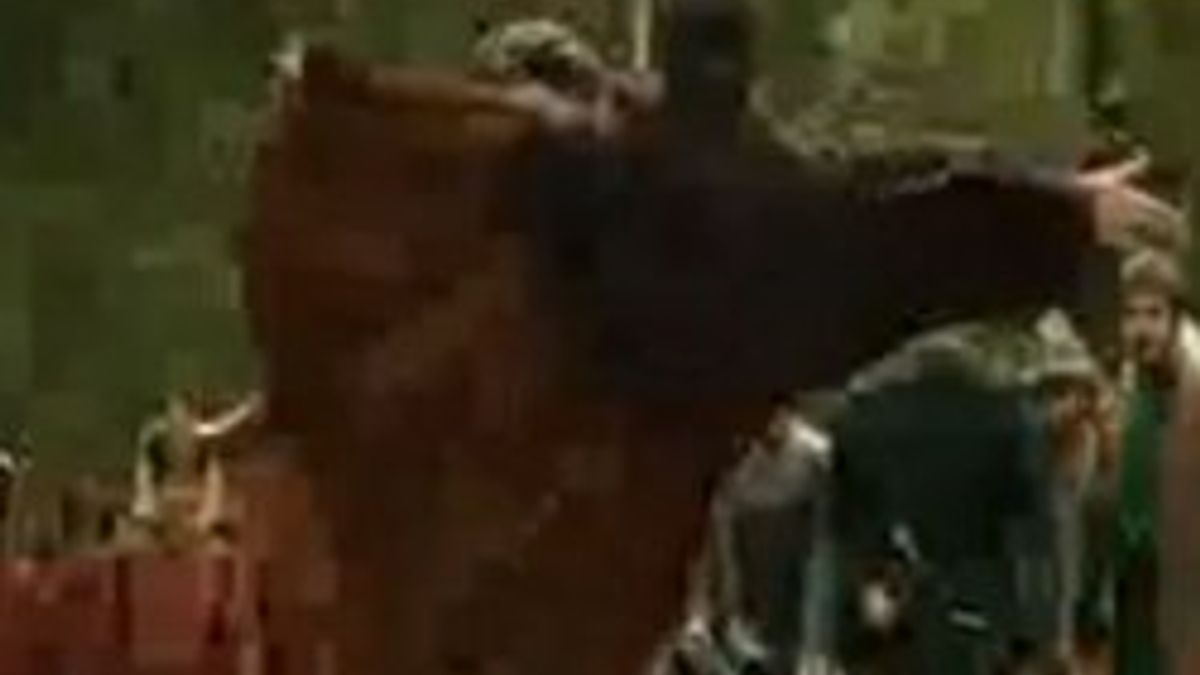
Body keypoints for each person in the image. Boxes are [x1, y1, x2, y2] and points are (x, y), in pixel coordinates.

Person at [1110, 251, 1189, 675]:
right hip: (1134, 571)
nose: (1141, 328)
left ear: (1175, 320)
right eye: (1131, 314)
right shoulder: (1125, 386)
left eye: (1154, 314)